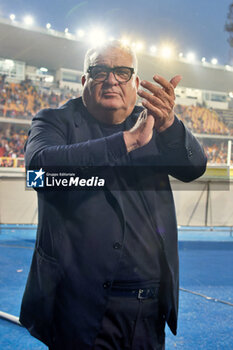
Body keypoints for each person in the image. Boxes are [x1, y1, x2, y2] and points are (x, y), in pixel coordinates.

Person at [20, 41, 207, 349]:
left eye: (122, 71)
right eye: (99, 71)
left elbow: (194, 167)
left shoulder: (153, 124)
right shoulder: (55, 120)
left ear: (136, 83)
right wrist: (126, 142)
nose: (111, 80)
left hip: (149, 310)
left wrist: (171, 125)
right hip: (81, 309)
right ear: (84, 81)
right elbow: (39, 172)